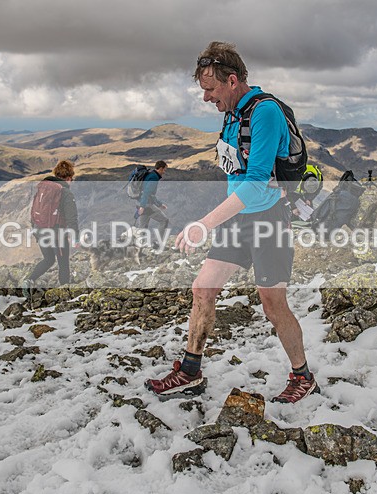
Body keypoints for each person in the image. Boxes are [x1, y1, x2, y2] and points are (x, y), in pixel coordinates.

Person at [145, 41, 318, 404]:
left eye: (210, 89)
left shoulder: (264, 112)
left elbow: (256, 183)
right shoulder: (232, 113)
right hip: (237, 220)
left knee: (273, 303)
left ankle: (303, 376)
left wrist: (204, 223)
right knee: (203, 289)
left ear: (232, 80)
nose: (206, 98)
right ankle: (190, 372)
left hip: (269, 219)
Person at [23, 160, 79, 294]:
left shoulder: (44, 187)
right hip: (56, 233)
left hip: (39, 229)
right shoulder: (64, 192)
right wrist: (75, 237)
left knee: (48, 259)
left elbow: (35, 209)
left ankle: (28, 280)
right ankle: (66, 294)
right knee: (63, 262)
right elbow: (72, 218)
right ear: (69, 178)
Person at [136, 160, 169, 232]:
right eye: (164, 170)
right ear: (160, 168)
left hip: (140, 202)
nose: (164, 172)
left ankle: (139, 242)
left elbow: (150, 194)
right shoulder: (154, 177)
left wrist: (159, 204)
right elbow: (147, 192)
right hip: (146, 205)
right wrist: (142, 206)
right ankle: (159, 242)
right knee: (164, 221)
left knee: (142, 227)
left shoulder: (150, 174)